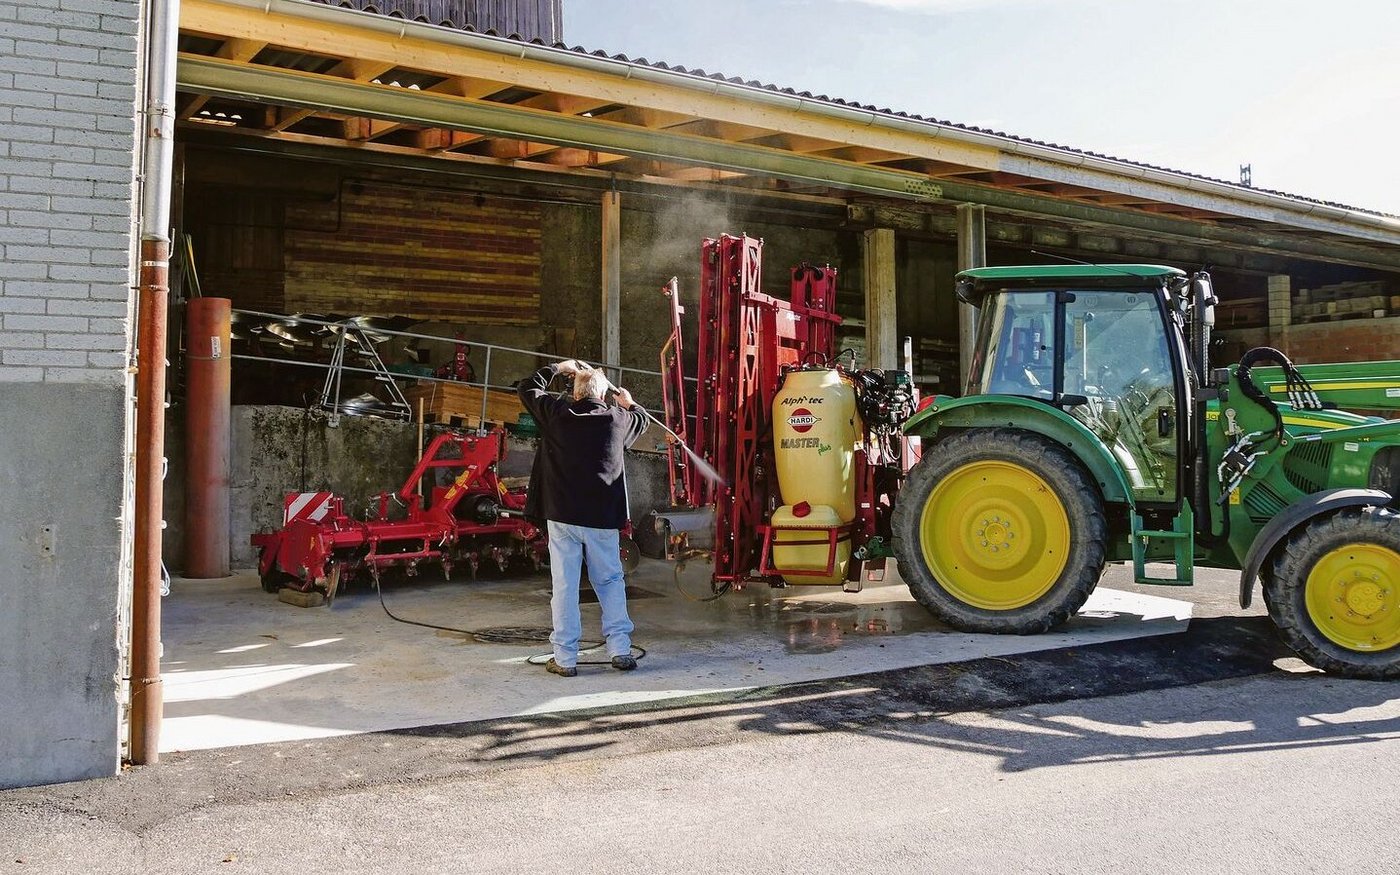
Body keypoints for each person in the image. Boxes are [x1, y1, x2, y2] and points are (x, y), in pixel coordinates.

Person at [518, 359, 648, 677]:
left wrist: (557, 368)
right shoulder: (618, 419)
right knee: (609, 581)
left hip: (563, 516)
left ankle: (565, 659)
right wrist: (629, 402)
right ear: (603, 396)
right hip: (602, 518)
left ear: (575, 394)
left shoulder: (557, 415)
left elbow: (526, 388)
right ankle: (620, 649)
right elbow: (642, 420)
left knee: (565, 585)